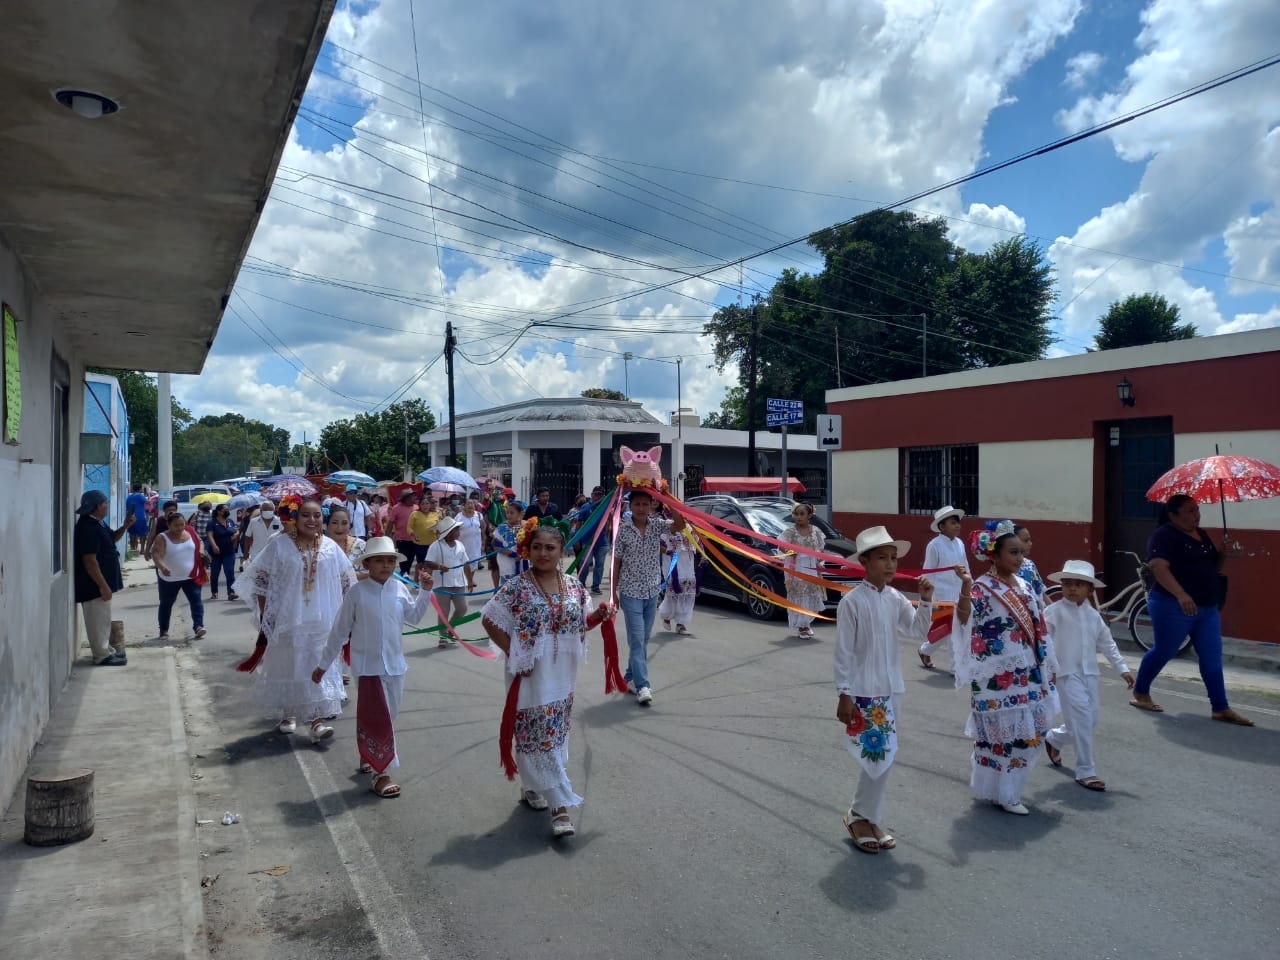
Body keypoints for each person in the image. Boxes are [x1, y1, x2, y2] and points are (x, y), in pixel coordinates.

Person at [481, 522, 616, 837]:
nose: (543, 553)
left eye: (550, 548)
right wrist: (514, 653)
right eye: (537, 547)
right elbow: (489, 619)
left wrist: (598, 616)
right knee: (537, 734)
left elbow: (580, 624)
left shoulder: (574, 586)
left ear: (561, 552)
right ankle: (560, 808)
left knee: (552, 735)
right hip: (529, 675)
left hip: (562, 677)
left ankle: (532, 786)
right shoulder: (516, 587)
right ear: (528, 549)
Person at [835, 526, 935, 853]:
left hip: (892, 688)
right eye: (882, 558)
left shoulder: (895, 599)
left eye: (893, 558)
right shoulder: (851, 602)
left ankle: (866, 815)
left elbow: (917, 629)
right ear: (864, 561)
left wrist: (926, 601)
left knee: (885, 756)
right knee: (875, 755)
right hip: (863, 691)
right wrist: (845, 692)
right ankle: (862, 815)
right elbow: (844, 652)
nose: (890, 565)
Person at [313, 538, 434, 798]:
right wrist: (323, 665)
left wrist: (425, 591)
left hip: (396, 666)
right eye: (379, 560)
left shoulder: (399, 588)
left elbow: (413, 617)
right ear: (366, 563)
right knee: (381, 719)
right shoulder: (357, 593)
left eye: (390, 560)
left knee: (389, 715)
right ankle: (383, 773)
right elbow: (339, 631)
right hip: (368, 668)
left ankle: (368, 754)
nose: (386, 565)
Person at [952, 520, 1057, 815]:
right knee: (1000, 737)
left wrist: (1048, 662)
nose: (1019, 559)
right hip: (998, 674)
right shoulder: (983, 588)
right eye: (1013, 553)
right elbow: (964, 619)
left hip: (1028, 669)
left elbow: (1039, 625)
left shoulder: (1023, 584)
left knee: (1029, 733)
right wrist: (965, 587)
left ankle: (1005, 789)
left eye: (1021, 552)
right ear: (993, 556)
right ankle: (1004, 793)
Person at [1130, 494, 1252, 725]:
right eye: (1190, 511)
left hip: (1206, 607)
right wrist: (1181, 594)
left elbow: (1212, 566)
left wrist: (1223, 553)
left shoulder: (1201, 534)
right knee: (1165, 651)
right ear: (1173, 515)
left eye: (1197, 509)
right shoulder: (1163, 536)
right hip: (1173, 606)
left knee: (1212, 657)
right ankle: (1141, 692)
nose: (1196, 515)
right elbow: (1158, 566)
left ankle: (1220, 707)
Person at [241, 498, 356, 741]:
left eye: (316, 516)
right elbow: (260, 579)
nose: (312, 520)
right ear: (296, 518)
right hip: (288, 618)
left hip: (323, 621)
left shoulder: (330, 548)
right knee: (290, 665)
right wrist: (266, 615)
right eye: (306, 515)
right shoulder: (280, 545)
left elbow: (347, 581)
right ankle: (289, 713)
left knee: (317, 666)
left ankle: (317, 720)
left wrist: (349, 615)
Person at [1043, 560, 1134, 790]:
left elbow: (1107, 644)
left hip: (1090, 673)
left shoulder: (1093, 616)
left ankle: (1054, 738)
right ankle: (1086, 770)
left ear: (1090, 590)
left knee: (1089, 720)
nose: (1072, 588)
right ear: (1061, 586)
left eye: (1079, 584)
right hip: (1065, 674)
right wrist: (1048, 670)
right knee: (1082, 718)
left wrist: (1122, 668)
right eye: (1068, 584)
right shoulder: (1053, 612)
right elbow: (1044, 644)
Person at [612, 488, 686, 706]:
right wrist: (613, 593)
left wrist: (667, 496)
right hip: (630, 591)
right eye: (637, 504)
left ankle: (629, 676)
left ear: (652, 505)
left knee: (642, 638)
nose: (641, 508)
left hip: (652, 590)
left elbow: (680, 524)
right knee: (637, 637)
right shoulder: (623, 531)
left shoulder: (657, 525)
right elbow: (616, 563)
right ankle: (643, 685)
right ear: (630, 506)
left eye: (645, 504)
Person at [74, 490, 133, 666]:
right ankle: (101, 655)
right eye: (105, 503)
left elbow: (112, 538)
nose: (107, 506)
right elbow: (89, 560)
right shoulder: (87, 527)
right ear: (97, 506)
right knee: (97, 620)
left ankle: (105, 650)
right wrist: (102, 585)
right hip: (93, 586)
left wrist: (125, 527)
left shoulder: (98, 523)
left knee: (103, 618)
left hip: (101, 583)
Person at [918, 505, 968, 669]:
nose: (957, 526)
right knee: (952, 630)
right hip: (942, 594)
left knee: (949, 629)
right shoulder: (935, 545)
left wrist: (970, 586)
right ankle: (956, 668)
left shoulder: (960, 543)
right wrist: (929, 598)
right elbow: (928, 571)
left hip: (959, 593)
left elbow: (965, 567)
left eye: (958, 523)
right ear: (942, 526)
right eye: (953, 523)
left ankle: (925, 649)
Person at [151, 512, 208, 641]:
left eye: (182, 524)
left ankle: (198, 626)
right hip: (169, 578)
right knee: (166, 604)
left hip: (190, 576)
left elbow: (200, 541)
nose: (180, 528)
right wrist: (162, 567)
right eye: (176, 525)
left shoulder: (190, 531)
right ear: (168, 525)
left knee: (196, 601)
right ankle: (164, 631)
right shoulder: (162, 537)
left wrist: (200, 550)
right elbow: (156, 554)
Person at [423, 515, 474, 647]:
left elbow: (466, 563)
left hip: (459, 582)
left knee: (462, 609)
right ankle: (443, 636)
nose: (459, 532)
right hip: (442, 584)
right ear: (447, 533)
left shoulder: (460, 545)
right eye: (456, 530)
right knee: (443, 611)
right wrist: (439, 566)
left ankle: (451, 628)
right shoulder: (436, 546)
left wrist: (470, 580)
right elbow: (427, 562)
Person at [780, 502, 827, 639]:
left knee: (812, 595)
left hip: (812, 567)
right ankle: (802, 627)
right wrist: (789, 552)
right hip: (797, 568)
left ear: (810, 516)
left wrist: (820, 560)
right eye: (796, 514)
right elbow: (781, 544)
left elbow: (821, 549)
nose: (799, 517)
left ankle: (807, 624)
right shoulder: (791, 532)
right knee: (800, 596)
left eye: (802, 514)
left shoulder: (816, 531)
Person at [657, 528, 700, 634]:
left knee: (687, 594)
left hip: (688, 564)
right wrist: (668, 551)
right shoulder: (667, 526)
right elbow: (658, 544)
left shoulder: (690, 528)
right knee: (673, 593)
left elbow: (698, 543)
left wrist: (704, 555)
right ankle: (667, 616)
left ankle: (681, 624)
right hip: (673, 563)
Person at [573, 486, 610, 595]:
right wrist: (577, 539)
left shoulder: (606, 507)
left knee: (600, 564)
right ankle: (581, 583)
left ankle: (596, 586)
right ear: (592, 494)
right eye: (596, 494)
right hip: (587, 541)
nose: (597, 497)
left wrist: (607, 535)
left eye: (600, 495)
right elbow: (579, 524)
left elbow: (608, 522)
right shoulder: (585, 506)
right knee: (585, 562)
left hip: (602, 542)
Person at [205, 504, 241, 600]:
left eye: (228, 510)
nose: (227, 511)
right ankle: (214, 592)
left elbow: (236, 531)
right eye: (225, 510)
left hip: (229, 552)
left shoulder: (230, 522)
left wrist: (236, 535)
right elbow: (210, 535)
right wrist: (214, 546)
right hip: (216, 553)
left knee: (229, 572)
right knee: (215, 574)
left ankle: (231, 593)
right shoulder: (212, 523)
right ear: (219, 511)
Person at [1013, 524, 1047, 615]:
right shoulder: (1008, 569)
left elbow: (1041, 593)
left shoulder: (1030, 564)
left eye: (1030, 540)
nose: (1030, 543)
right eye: (1025, 541)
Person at [491, 500, 527, 585]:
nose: (509, 515)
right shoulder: (502, 528)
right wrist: (513, 554)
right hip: (507, 566)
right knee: (508, 592)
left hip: (524, 565)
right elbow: (496, 546)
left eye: (512, 513)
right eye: (507, 513)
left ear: (520, 513)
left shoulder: (527, 527)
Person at [387, 488, 418, 575]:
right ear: (406, 498)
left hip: (414, 539)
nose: (414, 497)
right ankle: (404, 573)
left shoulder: (416, 508)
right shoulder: (396, 508)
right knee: (403, 559)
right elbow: (390, 523)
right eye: (412, 496)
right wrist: (387, 536)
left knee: (411, 558)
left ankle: (406, 573)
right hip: (401, 539)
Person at [456, 497, 484, 576]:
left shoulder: (478, 515)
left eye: (472, 503)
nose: (470, 505)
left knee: (474, 562)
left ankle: (470, 580)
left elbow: (483, 527)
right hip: (463, 544)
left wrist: (484, 539)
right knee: (463, 563)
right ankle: (465, 580)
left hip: (475, 544)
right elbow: (455, 530)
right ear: (464, 505)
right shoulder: (459, 516)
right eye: (468, 503)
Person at [125, 481, 149, 553]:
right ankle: (142, 550)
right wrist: (148, 494)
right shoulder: (140, 495)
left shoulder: (129, 497)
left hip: (130, 517)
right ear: (140, 489)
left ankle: (133, 549)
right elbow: (148, 502)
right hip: (140, 517)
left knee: (132, 533)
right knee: (143, 534)